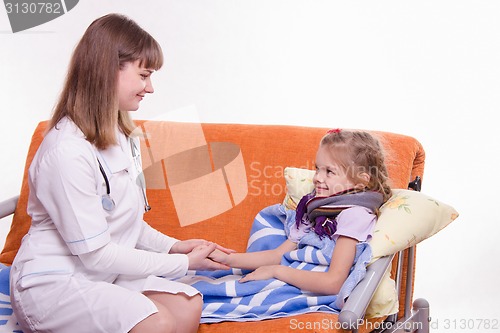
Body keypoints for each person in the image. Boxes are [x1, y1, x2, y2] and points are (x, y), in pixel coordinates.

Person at [10, 13, 231, 333]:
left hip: (100, 274)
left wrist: (173, 247)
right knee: (158, 323)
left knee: (187, 304)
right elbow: (97, 255)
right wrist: (182, 264)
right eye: (144, 75)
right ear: (109, 71)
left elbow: (123, 222)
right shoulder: (66, 152)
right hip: (52, 283)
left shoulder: (119, 134)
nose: (150, 88)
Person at [210, 128, 392, 295]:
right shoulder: (314, 209)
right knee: (212, 285)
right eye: (317, 169)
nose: (317, 178)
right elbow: (277, 255)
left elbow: (334, 283)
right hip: (291, 277)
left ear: (361, 182)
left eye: (329, 171)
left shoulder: (354, 216)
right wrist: (226, 259)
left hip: (307, 288)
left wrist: (276, 271)